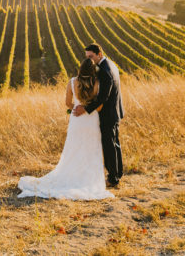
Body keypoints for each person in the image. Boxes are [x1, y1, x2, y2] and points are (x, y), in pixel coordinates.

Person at [17, 57, 114, 200]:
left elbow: (67, 102)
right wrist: (87, 108)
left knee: (73, 150)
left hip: (76, 120)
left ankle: (72, 176)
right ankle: (88, 180)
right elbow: (99, 106)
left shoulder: (72, 82)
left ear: (80, 69)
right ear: (94, 70)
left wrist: (76, 108)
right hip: (92, 120)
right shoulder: (97, 83)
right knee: (91, 150)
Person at [73, 43, 124, 188]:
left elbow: (103, 97)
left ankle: (113, 179)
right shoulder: (111, 64)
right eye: (87, 57)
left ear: (99, 54)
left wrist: (85, 108)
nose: (89, 60)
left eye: (91, 56)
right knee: (115, 144)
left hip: (108, 113)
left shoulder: (104, 71)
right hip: (115, 111)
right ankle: (118, 173)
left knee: (109, 146)